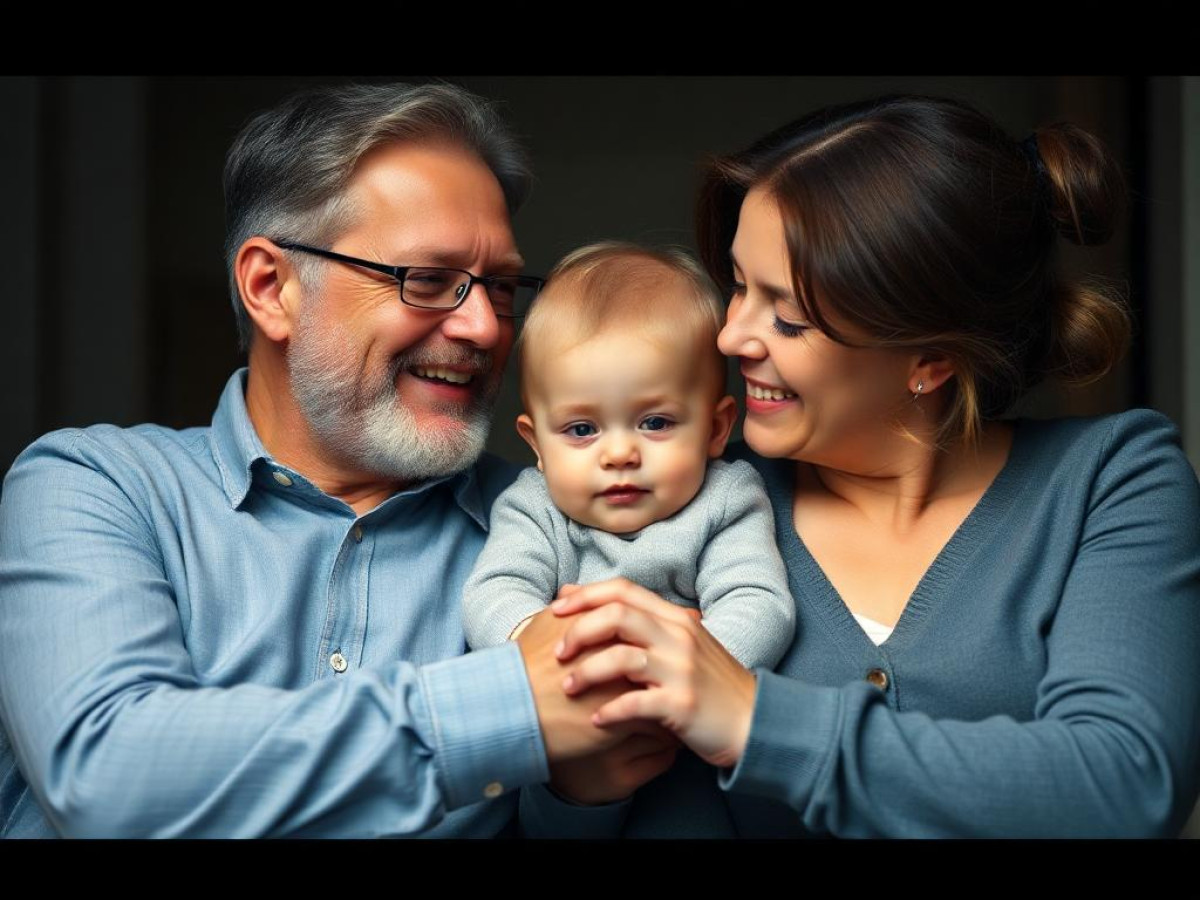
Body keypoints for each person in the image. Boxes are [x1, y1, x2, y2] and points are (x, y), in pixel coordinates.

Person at [0, 82, 675, 838]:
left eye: (500, 286)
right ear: (271, 288)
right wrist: (516, 706)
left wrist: (581, 796)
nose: (485, 327)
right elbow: (109, 775)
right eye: (427, 280)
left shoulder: (565, 528)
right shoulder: (95, 488)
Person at [543, 94, 1200, 837]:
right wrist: (577, 789)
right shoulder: (684, 501)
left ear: (930, 359)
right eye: (738, 286)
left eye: (786, 317)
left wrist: (755, 721)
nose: (730, 339)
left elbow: (1125, 783)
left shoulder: (1111, 482)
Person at [461, 241, 795, 672]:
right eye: (582, 430)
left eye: (655, 423)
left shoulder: (727, 499)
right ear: (537, 446)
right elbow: (494, 591)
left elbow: (758, 602)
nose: (619, 454)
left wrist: (687, 672)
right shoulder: (534, 508)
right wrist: (544, 649)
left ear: (715, 430)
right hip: (568, 689)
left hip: (688, 705)